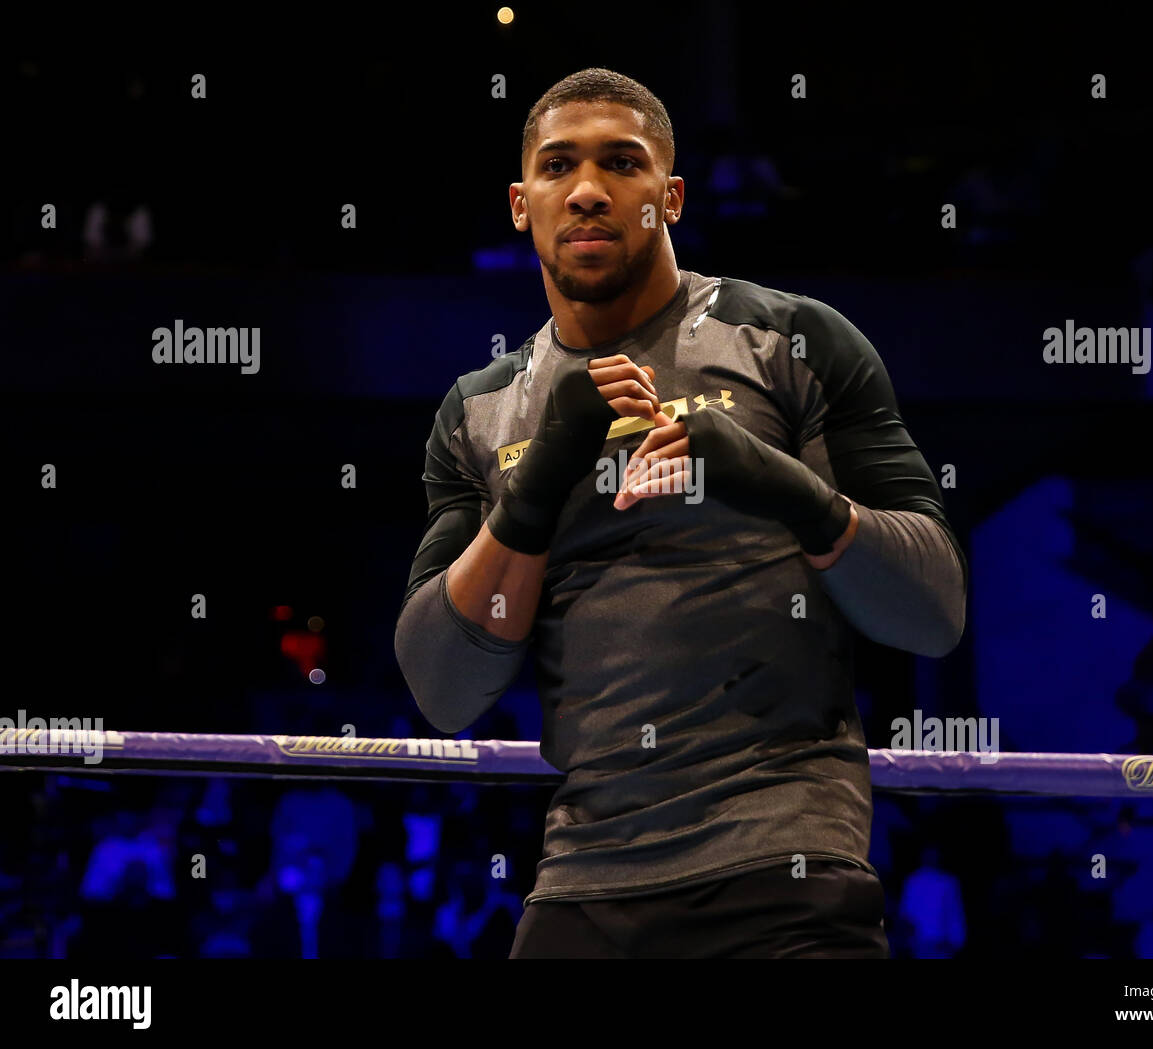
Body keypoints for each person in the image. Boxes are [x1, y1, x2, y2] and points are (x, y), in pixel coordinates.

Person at [394, 67, 967, 958]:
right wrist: (543, 476)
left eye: (622, 164)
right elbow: (442, 684)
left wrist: (772, 481)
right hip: (584, 874)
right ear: (521, 203)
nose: (588, 191)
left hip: (786, 862)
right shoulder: (480, 410)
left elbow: (933, 610)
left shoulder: (793, 342)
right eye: (559, 167)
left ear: (671, 196)